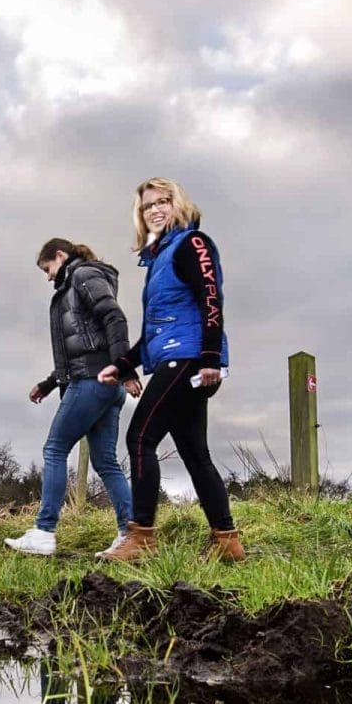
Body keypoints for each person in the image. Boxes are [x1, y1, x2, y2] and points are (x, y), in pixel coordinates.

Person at [97, 178, 244, 562]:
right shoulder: (158, 259)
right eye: (148, 206)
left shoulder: (192, 244)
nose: (156, 210)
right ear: (140, 215)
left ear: (178, 204)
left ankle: (141, 536)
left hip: (192, 358)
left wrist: (211, 356)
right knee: (195, 453)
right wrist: (123, 364)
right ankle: (227, 541)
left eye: (163, 201)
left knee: (139, 438)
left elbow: (211, 297)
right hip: (175, 356)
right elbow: (156, 332)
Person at [4, 238, 135, 557]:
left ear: (60, 256)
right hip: (104, 383)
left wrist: (126, 367)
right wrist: (49, 384)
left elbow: (114, 318)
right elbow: (83, 343)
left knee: (55, 448)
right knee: (106, 462)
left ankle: (44, 531)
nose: (48, 277)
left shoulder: (83, 276)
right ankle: (131, 534)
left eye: (47, 268)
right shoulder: (77, 283)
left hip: (92, 381)